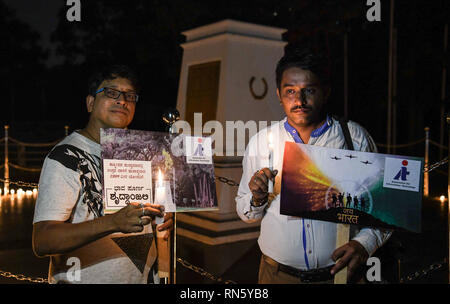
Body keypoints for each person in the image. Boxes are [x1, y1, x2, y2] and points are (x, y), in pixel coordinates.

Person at [235, 46, 391, 284]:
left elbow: (385, 208)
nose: (299, 100)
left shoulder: (354, 139)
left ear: (326, 92)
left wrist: (364, 244)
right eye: (290, 91)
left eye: (309, 90)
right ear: (278, 93)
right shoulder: (260, 143)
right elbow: (245, 212)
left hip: (339, 274)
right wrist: (256, 198)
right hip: (276, 275)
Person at [32, 64, 173, 284]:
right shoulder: (66, 157)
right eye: (111, 92)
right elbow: (43, 239)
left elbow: (147, 214)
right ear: (90, 103)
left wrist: (161, 216)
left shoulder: (143, 152)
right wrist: (113, 223)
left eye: (130, 96)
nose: (122, 100)